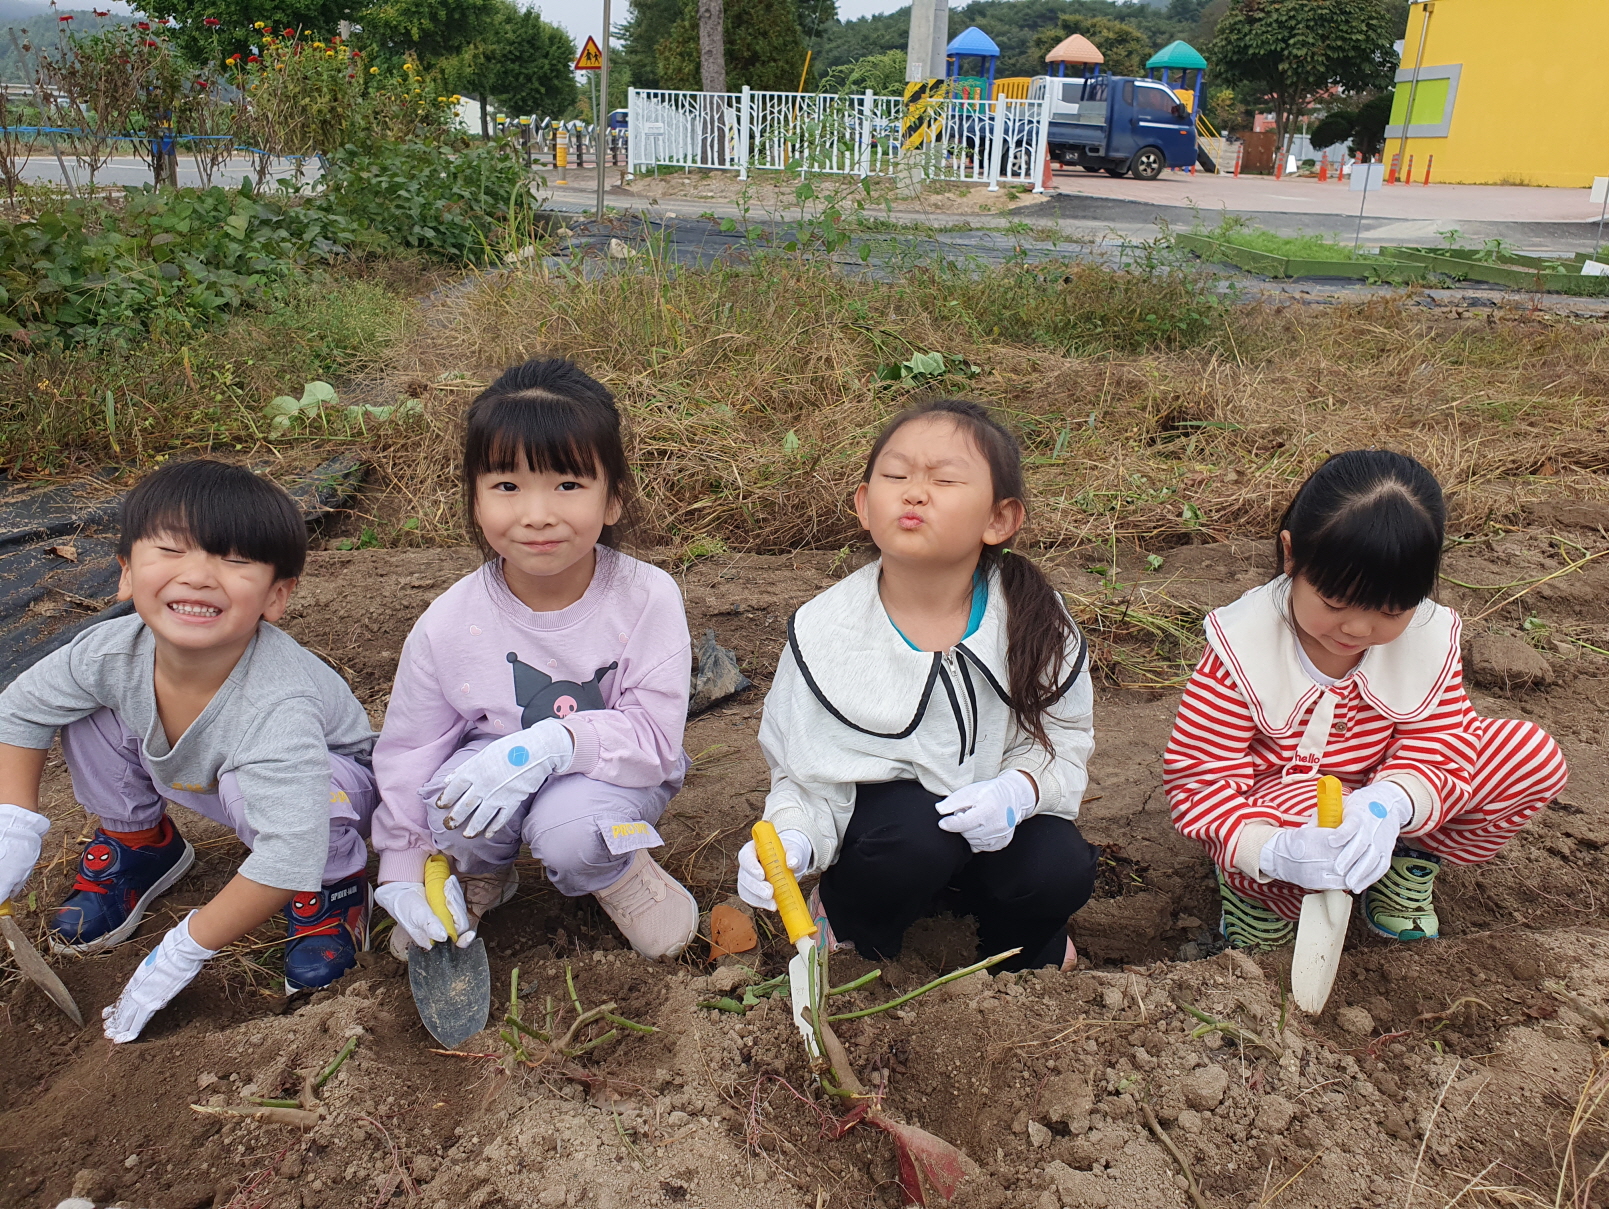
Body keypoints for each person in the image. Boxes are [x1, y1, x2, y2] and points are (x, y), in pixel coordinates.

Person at [0, 460, 379, 1042]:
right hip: (205, 772)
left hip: (324, 796)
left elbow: (289, 849)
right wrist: (14, 826)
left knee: (273, 805)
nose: (199, 576)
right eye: (172, 550)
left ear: (277, 596)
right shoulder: (109, 653)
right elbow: (20, 710)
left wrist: (184, 946)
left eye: (234, 559)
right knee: (88, 705)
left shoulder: (277, 705)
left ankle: (334, 889)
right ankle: (139, 842)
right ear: (125, 574)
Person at [738, 399, 1097, 972]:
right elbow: (804, 774)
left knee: (1059, 865)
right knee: (914, 838)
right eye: (896, 475)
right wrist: (792, 842)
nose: (914, 493)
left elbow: (1064, 736)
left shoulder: (1033, 615)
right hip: (890, 843)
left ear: (999, 519)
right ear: (862, 504)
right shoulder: (824, 631)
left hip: (992, 834)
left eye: (946, 479)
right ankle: (857, 930)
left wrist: (1020, 791)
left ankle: (1018, 946)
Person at [1164, 450, 1569, 949]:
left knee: (1528, 756)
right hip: (1280, 810)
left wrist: (1391, 801)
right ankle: (1258, 898)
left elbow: (1444, 741)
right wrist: (1272, 850)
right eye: (1334, 604)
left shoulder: (1425, 638)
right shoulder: (1241, 651)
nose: (1357, 629)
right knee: (1300, 825)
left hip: (1379, 799)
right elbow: (1200, 782)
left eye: (1390, 611)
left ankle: (1403, 868)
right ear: (1292, 555)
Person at [371, 358, 697, 962]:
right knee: (448, 801)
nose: (537, 513)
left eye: (568, 485)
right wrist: (404, 863)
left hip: (608, 776)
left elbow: (655, 739)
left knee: (572, 831)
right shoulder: (448, 620)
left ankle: (614, 873)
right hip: (489, 770)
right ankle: (480, 872)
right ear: (474, 500)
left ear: (614, 499)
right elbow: (409, 750)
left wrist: (553, 744)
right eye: (507, 486)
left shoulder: (647, 597)